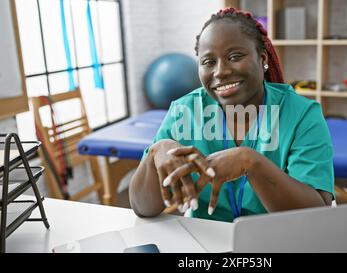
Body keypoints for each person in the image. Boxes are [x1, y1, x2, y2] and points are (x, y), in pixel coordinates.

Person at [129, 7, 335, 223]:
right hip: (206, 242)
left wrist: (251, 162)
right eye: (208, 62)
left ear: (262, 59)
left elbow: (315, 217)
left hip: (276, 240)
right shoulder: (185, 111)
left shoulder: (301, 115)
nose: (220, 71)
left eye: (235, 56)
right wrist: (155, 152)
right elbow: (142, 207)